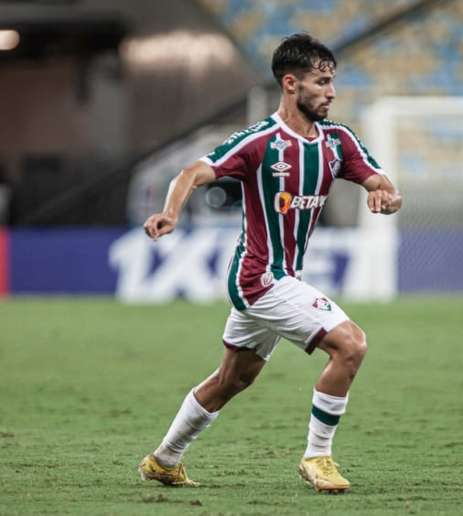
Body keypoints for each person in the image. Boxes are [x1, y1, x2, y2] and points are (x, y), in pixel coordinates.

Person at [137, 33, 401, 493]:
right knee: (351, 345)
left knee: (231, 380)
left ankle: (164, 460)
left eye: (333, 81)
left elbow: (378, 179)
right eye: (321, 82)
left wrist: (386, 192)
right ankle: (318, 456)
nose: (331, 92)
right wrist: (171, 212)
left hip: (281, 279)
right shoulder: (259, 141)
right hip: (260, 278)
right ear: (291, 83)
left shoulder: (337, 141)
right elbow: (191, 173)